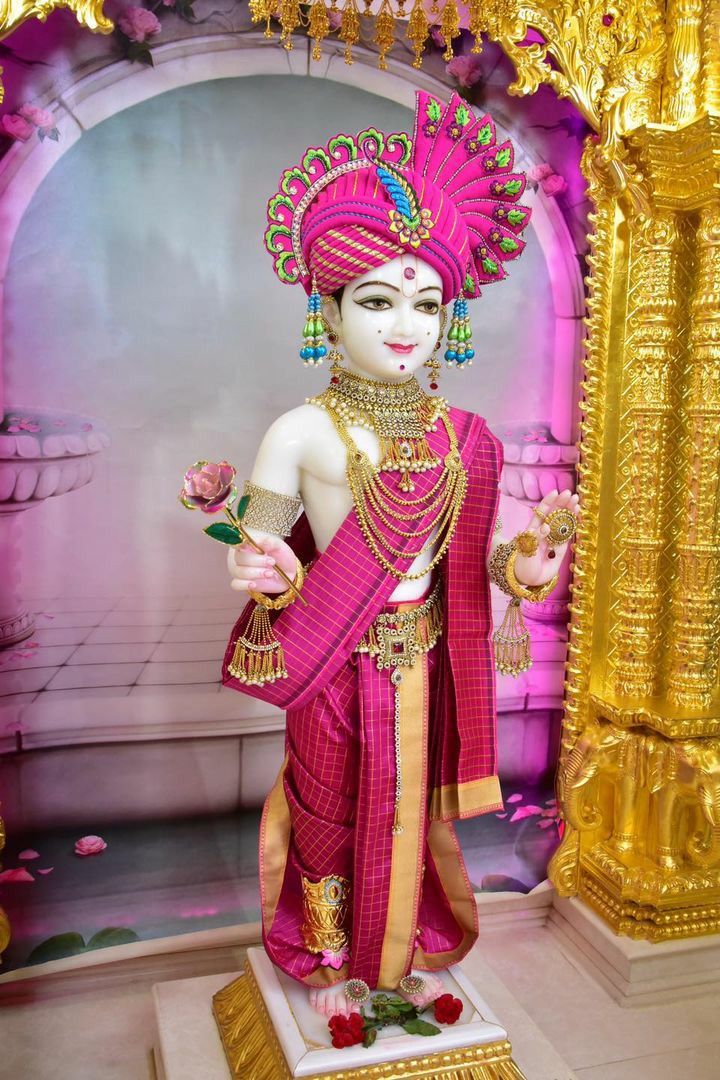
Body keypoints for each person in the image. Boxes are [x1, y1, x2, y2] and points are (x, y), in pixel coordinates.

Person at [221, 90, 578, 1019]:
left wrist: (526, 570)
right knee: (331, 806)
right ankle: (331, 952)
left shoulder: (463, 435)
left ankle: (400, 947)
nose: (404, 325)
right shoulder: (300, 431)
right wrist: (258, 565)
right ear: (328, 311)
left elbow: (484, 556)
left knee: (405, 810)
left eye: (426, 302)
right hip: (332, 652)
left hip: (422, 656)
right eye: (376, 300)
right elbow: (253, 542)